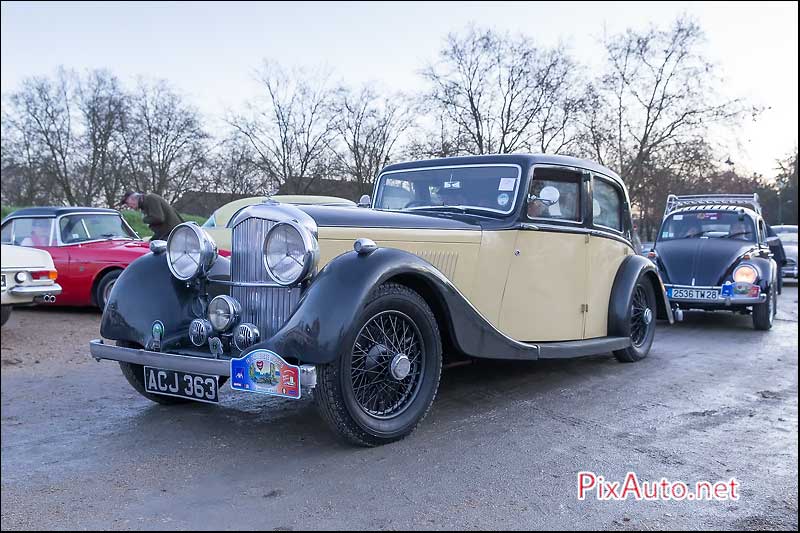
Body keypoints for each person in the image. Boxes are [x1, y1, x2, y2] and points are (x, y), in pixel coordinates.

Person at [119, 190, 184, 241]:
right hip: (171, 234)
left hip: (174, 235)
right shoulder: (146, 204)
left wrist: (145, 219)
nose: (129, 206)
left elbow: (158, 218)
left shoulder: (150, 199)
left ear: (133, 199)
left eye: (128, 203)